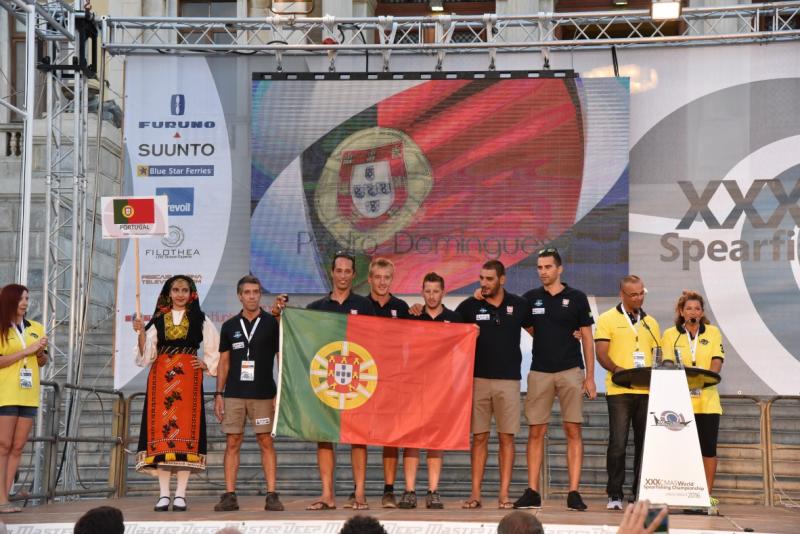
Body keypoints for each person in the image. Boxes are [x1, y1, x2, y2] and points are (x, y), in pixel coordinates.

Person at [274, 251, 374, 510]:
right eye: (339, 270)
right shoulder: (316, 308)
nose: (343, 276)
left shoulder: (365, 306)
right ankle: (327, 494)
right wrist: (282, 316)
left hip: (357, 380)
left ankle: (359, 494)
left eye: (347, 271)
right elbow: (299, 339)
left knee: (358, 437)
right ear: (332, 273)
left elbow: (379, 341)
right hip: (325, 381)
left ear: (354, 275)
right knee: (323, 435)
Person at [514, 248, 596, 512]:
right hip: (539, 372)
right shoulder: (530, 298)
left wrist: (591, 377)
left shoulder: (577, 298)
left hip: (571, 370)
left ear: (559, 269)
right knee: (535, 431)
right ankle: (532, 491)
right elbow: (529, 326)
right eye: (539, 267)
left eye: (548, 267)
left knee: (573, 430)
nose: (543, 272)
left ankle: (573, 492)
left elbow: (587, 338)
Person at [132, 275, 219, 512]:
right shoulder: (159, 319)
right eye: (176, 290)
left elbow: (215, 346)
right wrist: (140, 333)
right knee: (162, 435)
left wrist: (208, 365)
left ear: (191, 294)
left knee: (185, 435)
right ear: (168, 293)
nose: (180, 294)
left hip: (188, 380)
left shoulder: (200, 318)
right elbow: (146, 355)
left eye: (184, 290)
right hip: (161, 379)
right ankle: (163, 494)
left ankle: (180, 494)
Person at [454, 260, 532, 510]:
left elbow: (540, 332)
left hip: (509, 381)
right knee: (479, 438)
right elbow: (448, 333)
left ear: (502, 279)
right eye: (481, 278)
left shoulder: (518, 305)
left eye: (489, 279)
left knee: (506, 438)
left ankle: (504, 495)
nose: (484, 283)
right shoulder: (469, 306)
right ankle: (475, 494)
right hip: (478, 380)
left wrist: (572, 335)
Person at [214, 275, 283, 512]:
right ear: (239, 296)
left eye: (256, 292)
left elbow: (281, 358)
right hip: (234, 394)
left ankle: (272, 494)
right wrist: (218, 394)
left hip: (264, 393)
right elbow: (224, 362)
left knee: (266, 441)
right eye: (247, 292)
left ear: (260, 295)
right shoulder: (230, 325)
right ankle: (229, 495)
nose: (252, 296)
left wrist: (280, 391)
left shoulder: (272, 323)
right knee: (232, 442)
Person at [395, 272, 460, 510]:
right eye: (428, 291)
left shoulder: (455, 319)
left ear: (444, 292)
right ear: (422, 292)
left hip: (442, 388)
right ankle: (409, 491)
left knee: (436, 440)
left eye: (436, 291)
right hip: (414, 386)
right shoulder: (411, 316)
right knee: (411, 438)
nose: (432, 296)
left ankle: (433, 491)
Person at [595, 275, 660, 510]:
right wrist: (616, 369)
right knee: (618, 444)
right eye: (633, 294)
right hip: (619, 390)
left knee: (644, 444)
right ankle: (615, 494)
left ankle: (639, 492)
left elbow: (657, 355)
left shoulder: (651, 322)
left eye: (642, 293)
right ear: (621, 294)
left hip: (646, 390)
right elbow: (601, 353)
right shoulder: (607, 318)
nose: (638, 298)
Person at [661, 290, 724, 508]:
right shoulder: (671, 334)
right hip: (680, 403)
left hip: (707, 402)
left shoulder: (712, 332)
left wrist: (705, 380)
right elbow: (667, 364)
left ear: (702, 312)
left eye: (697, 308)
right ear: (681, 312)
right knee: (681, 451)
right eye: (688, 308)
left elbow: (717, 361)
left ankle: (705, 496)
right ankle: (682, 493)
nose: (693, 312)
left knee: (708, 449)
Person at [366, 258, 410, 509]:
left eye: (387, 277)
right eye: (378, 277)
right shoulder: (360, 305)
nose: (382, 282)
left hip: (393, 379)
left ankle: (389, 490)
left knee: (391, 437)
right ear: (370, 279)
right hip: (363, 379)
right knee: (357, 433)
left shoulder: (401, 307)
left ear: (392, 279)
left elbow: (422, 336)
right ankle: (357, 490)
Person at [0, 284, 48, 514]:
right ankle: (1, 499)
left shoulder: (36, 327)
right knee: (3, 445)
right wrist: (27, 351)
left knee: (18, 447)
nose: (25, 303)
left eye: (27, 298)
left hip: (28, 394)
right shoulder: (1, 328)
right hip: (5, 392)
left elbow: (42, 361)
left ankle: (4, 497)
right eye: (20, 299)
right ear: (9, 300)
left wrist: (39, 353)